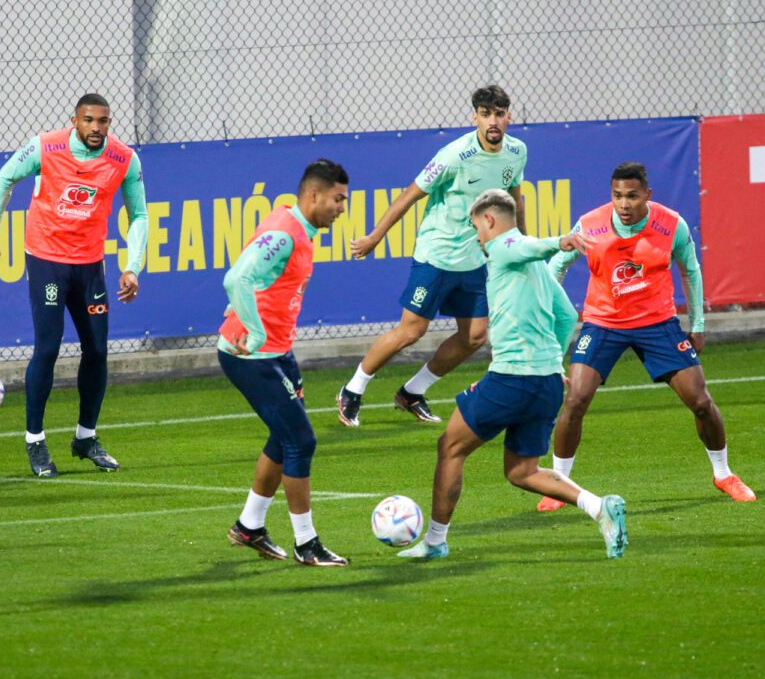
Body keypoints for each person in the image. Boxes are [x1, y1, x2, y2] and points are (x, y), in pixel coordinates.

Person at [400, 190, 628, 561]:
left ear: (490, 220)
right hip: (547, 383)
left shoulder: (507, 248)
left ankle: (434, 542)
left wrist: (560, 242)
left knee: (450, 447)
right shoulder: (535, 267)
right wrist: (554, 366)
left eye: (477, 227)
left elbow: (526, 247)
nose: (477, 237)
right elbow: (567, 317)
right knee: (522, 471)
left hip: (512, 378)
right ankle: (598, 506)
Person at [535, 162, 755, 511]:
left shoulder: (670, 224)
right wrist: (548, 316)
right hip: (603, 323)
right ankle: (559, 484)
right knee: (575, 399)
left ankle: (724, 474)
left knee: (700, 400)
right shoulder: (589, 225)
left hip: (657, 323)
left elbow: (691, 270)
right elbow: (555, 267)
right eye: (617, 196)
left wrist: (697, 324)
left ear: (647, 195)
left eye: (632, 196)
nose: (624, 204)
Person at [0, 93, 149, 477]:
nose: (96, 128)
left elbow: (138, 214)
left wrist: (132, 266)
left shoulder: (124, 159)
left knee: (98, 351)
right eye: (88, 120)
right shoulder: (46, 146)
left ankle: (85, 437)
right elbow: (5, 177)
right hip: (47, 261)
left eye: (103, 121)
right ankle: (35, 441)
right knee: (49, 347)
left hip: (90, 266)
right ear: (74, 121)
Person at [338, 85, 527, 427]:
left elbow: (515, 198)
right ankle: (352, 389)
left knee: (475, 337)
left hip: (476, 260)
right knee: (411, 332)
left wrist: (522, 246)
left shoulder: (516, 152)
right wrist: (375, 237)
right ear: (475, 118)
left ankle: (412, 392)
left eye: (499, 114)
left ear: (508, 117)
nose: (493, 121)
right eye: (486, 114)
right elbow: (409, 196)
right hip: (437, 256)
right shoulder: (454, 155)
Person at [220, 159, 351, 567]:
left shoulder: (296, 227)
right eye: (338, 199)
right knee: (301, 440)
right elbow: (235, 278)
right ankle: (306, 543)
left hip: (277, 353)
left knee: (284, 437)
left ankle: (249, 526)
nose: (342, 208)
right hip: (251, 356)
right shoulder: (286, 232)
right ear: (314, 195)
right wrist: (255, 332)